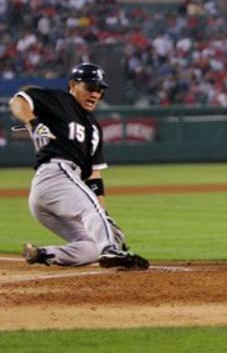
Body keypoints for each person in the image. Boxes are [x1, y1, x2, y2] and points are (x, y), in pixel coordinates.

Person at [9, 62, 149, 270]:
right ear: (73, 85)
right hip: (56, 172)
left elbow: (93, 176)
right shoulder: (58, 100)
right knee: (92, 215)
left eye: (99, 90)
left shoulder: (94, 129)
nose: (95, 94)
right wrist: (33, 122)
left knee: (92, 245)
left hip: (53, 191)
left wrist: (105, 215)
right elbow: (18, 101)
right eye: (90, 88)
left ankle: (45, 253)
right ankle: (110, 248)